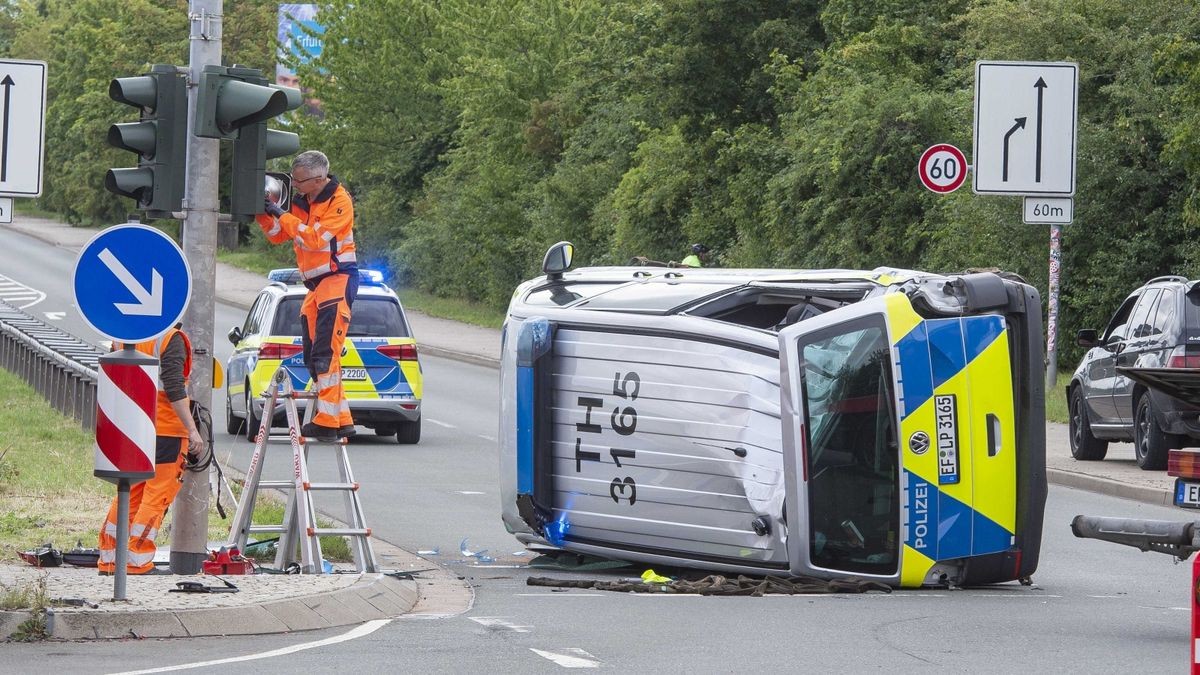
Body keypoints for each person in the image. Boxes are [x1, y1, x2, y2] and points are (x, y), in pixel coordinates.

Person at [258, 150, 358, 442]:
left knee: (326, 352)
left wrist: (280, 213)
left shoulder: (339, 201)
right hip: (316, 287)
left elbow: (314, 239)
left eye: (299, 181)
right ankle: (342, 418)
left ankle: (328, 420)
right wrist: (263, 213)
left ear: (317, 179)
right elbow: (280, 234)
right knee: (314, 355)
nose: (295, 186)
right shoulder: (302, 201)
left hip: (338, 281)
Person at [97, 324, 204, 575]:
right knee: (157, 495)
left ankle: (109, 558)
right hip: (166, 429)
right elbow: (175, 388)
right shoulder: (170, 339)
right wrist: (192, 429)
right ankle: (137, 559)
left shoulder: (124, 334)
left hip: (133, 426)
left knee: (130, 491)